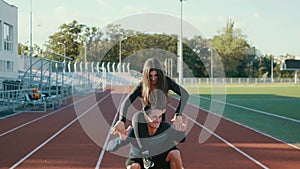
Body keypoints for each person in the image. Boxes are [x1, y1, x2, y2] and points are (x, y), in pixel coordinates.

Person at [107, 92, 188, 169]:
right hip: (140, 160)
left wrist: (181, 132)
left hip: (159, 159)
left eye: (159, 116)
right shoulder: (135, 131)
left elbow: (181, 139)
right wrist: (121, 140)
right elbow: (109, 147)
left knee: (175, 153)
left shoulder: (165, 127)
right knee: (133, 167)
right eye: (154, 117)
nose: (157, 120)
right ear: (146, 117)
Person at [112, 58, 189, 135]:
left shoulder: (166, 82)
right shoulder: (141, 86)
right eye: (150, 76)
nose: (153, 78)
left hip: (160, 121)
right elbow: (126, 102)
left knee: (162, 143)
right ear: (146, 76)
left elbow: (185, 94)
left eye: (156, 75)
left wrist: (178, 114)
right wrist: (121, 120)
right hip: (145, 121)